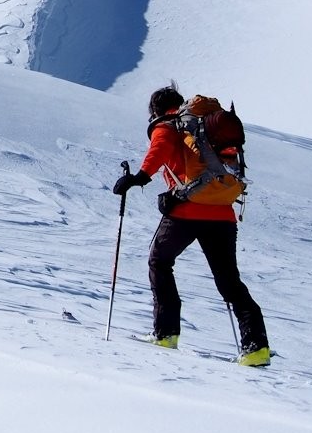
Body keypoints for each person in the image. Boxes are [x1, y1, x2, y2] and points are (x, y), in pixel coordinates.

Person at [113, 84, 271, 366]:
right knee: (228, 280)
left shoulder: (168, 126)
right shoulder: (203, 126)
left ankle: (166, 333)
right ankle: (256, 346)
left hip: (187, 211)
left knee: (159, 262)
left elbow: (158, 151)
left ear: (155, 109)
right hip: (222, 212)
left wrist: (138, 179)